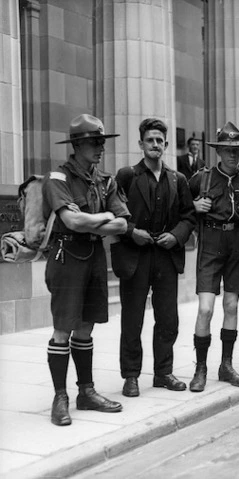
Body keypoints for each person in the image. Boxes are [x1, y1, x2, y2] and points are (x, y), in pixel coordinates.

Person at [43, 114, 130, 426]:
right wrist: (103, 216)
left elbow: (122, 223)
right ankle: (60, 396)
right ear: (77, 145)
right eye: (95, 142)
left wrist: (98, 218)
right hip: (66, 256)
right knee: (63, 327)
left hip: (93, 255)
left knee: (86, 326)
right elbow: (71, 222)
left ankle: (86, 391)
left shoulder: (106, 180)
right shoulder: (58, 178)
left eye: (102, 142)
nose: (101, 148)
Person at [112, 118, 196, 397]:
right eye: (150, 140)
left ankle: (163, 373)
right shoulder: (127, 176)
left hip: (166, 257)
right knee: (132, 318)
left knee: (168, 319)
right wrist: (132, 231)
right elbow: (115, 213)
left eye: (160, 141)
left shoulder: (178, 179)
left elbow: (188, 216)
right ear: (141, 144)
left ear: (166, 145)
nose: (155, 145)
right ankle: (131, 376)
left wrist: (176, 235)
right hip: (135, 256)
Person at [187, 121, 239, 392]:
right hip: (210, 242)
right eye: (227, 150)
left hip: (236, 243)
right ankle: (200, 368)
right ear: (218, 151)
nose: (233, 155)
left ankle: (225, 365)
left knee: (231, 306)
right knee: (205, 308)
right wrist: (194, 207)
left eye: (237, 150)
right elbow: (181, 208)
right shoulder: (201, 179)